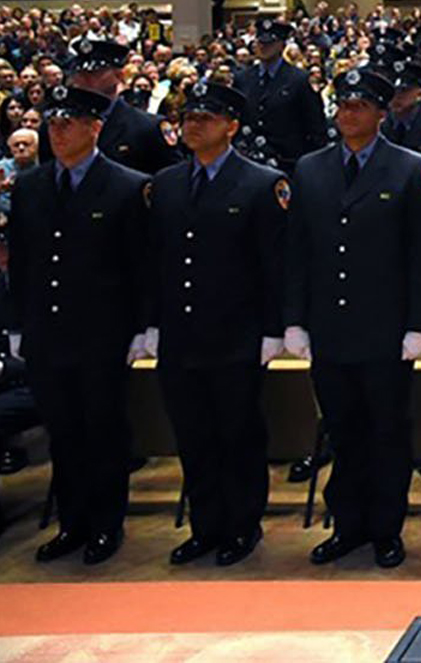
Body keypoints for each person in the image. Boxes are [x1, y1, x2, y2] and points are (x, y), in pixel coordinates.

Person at [284, 67, 421, 570]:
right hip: (330, 323)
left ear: (380, 112)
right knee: (343, 429)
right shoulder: (309, 169)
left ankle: (386, 528)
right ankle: (348, 524)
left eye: (358, 107)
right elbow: (300, 251)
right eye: (342, 106)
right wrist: (296, 319)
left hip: (386, 327)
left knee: (387, 430)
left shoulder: (411, 169)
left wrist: (420, 323)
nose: (347, 114)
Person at [143, 82, 288, 567]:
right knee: (193, 435)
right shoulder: (164, 184)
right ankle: (206, 525)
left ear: (232, 126)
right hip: (180, 333)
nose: (194, 124)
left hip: (235, 334)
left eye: (206, 118)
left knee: (238, 434)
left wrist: (273, 331)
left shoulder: (260, 183)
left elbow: (273, 264)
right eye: (189, 117)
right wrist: (152, 324)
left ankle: (242, 525)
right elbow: (155, 262)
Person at [5, 85, 149, 565]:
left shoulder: (127, 186)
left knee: (103, 431)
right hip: (48, 331)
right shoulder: (31, 186)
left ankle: (106, 525)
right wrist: (17, 325)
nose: (59, 131)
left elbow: (139, 266)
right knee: (63, 433)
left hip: (102, 332)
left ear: (95, 128)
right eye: (53, 123)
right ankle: (73, 521)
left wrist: (140, 328)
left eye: (69, 123)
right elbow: (22, 264)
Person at [0, 212, 35, 554]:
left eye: (9, 247)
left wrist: (5, 369)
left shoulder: (45, 291)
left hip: (36, 386)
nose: (3, 256)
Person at [65, 36, 177, 174]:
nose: (84, 78)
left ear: (119, 75)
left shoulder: (147, 127)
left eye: (95, 72)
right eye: (79, 72)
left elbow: (172, 180)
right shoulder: (59, 125)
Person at [233, 20, 328, 172]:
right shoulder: (243, 78)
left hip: (287, 161)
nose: (264, 47)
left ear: (282, 46)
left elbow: (315, 124)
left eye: (270, 43)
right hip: (250, 161)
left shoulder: (298, 80)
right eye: (260, 42)